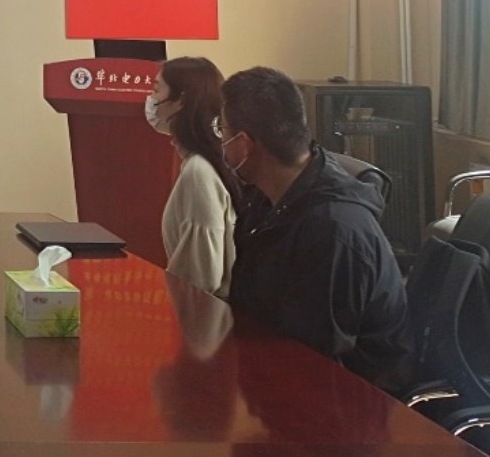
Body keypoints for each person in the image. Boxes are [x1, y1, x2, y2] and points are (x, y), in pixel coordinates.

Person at [220, 66, 410, 388]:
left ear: (244, 144)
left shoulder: (332, 231)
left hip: (355, 398)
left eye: (222, 130)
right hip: (275, 367)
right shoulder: (268, 197)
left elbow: (315, 361)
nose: (221, 141)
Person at [145, 56, 236, 295]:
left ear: (181, 100)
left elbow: (201, 277)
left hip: (202, 310)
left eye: (156, 90)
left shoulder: (199, 171)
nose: (151, 100)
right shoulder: (210, 158)